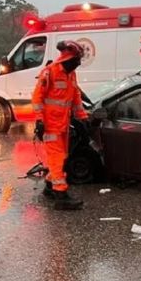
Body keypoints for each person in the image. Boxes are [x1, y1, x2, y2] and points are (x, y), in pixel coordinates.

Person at [32, 40, 89, 210]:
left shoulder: (71, 75)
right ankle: (61, 196)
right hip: (50, 126)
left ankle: (50, 187)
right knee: (57, 159)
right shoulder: (50, 72)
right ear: (68, 58)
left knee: (61, 158)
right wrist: (40, 120)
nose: (79, 63)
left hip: (63, 125)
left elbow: (76, 97)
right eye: (77, 60)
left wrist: (82, 117)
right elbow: (37, 98)